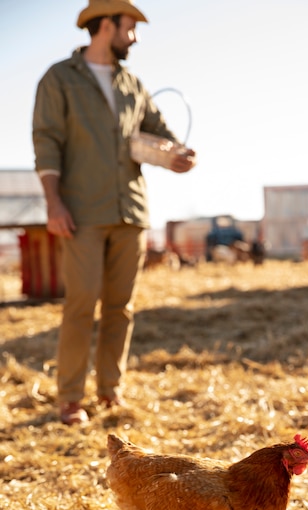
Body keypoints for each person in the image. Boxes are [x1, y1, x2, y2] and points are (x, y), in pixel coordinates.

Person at [32, 0, 196, 425]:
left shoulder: (133, 85)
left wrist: (179, 154)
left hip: (131, 212)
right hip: (81, 212)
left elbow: (162, 134)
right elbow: (46, 141)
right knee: (81, 304)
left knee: (121, 307)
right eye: (130, 28)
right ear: (106, 25)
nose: (134, 37)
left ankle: (110, 392)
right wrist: (54, 201)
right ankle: (70, 399)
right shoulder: (59, 79)